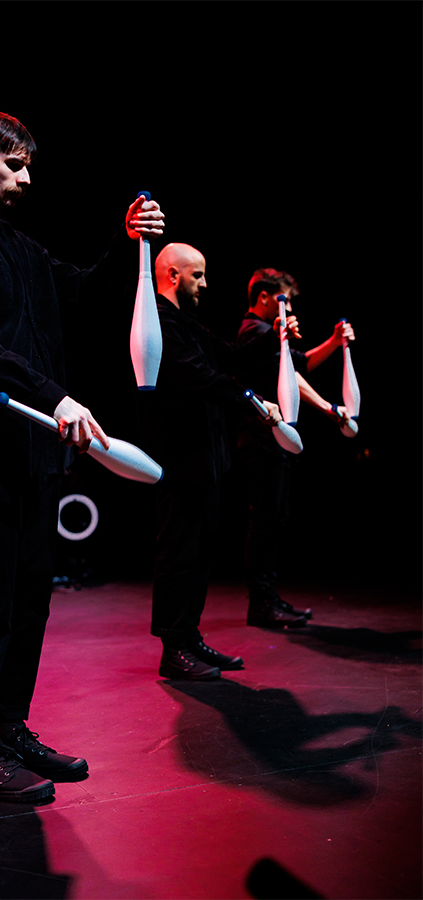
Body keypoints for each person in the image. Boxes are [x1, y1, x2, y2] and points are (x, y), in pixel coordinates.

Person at [0, 109, 165, 803]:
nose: (24, 177)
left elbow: (80, 294)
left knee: (30, 600)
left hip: (38, 450)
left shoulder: (21, 248)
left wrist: (125, 242)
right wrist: (54, 396)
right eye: (13, 164)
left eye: (27, 166)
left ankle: (10, 727)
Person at [136, 243, 288, 682]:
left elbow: (230, 357)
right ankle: (173, 648)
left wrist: (276, 335)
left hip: (205, 457)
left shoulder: (187, 322)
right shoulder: (158, 321)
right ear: (171, 275)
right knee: (179, 553)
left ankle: (189, 636)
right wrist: (254, 403)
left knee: (200, 552)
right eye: (197, 275)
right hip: (178, 457)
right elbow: (197, 376)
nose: (205, 284)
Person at [236, 267, 355, 628]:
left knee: (274, 520)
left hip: (272, 439)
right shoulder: (253, 332)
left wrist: (334, 342)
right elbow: (291, 379)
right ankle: (260, 605)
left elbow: (299, 365)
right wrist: (330, 409)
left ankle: (267, 599)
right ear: (265, 297)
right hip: (260, 440)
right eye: (283, 299)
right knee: (266, 521)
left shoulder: (267, 336)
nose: (287, 308)